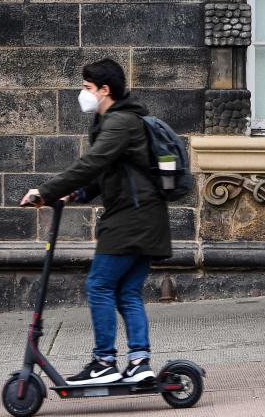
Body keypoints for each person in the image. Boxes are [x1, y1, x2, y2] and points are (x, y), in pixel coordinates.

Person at [20, 58, 172, 386]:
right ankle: (139, 363)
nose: (83, 93)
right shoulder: (119, 122)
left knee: (100, 285)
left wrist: (43, 192)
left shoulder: (120, 123)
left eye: (87, 88)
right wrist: (76, 196)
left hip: (131, 220)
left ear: (105, 90)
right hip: (145, 218)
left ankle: (104, 361)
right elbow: (110, 173)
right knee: (127, 291)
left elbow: (92, 163)